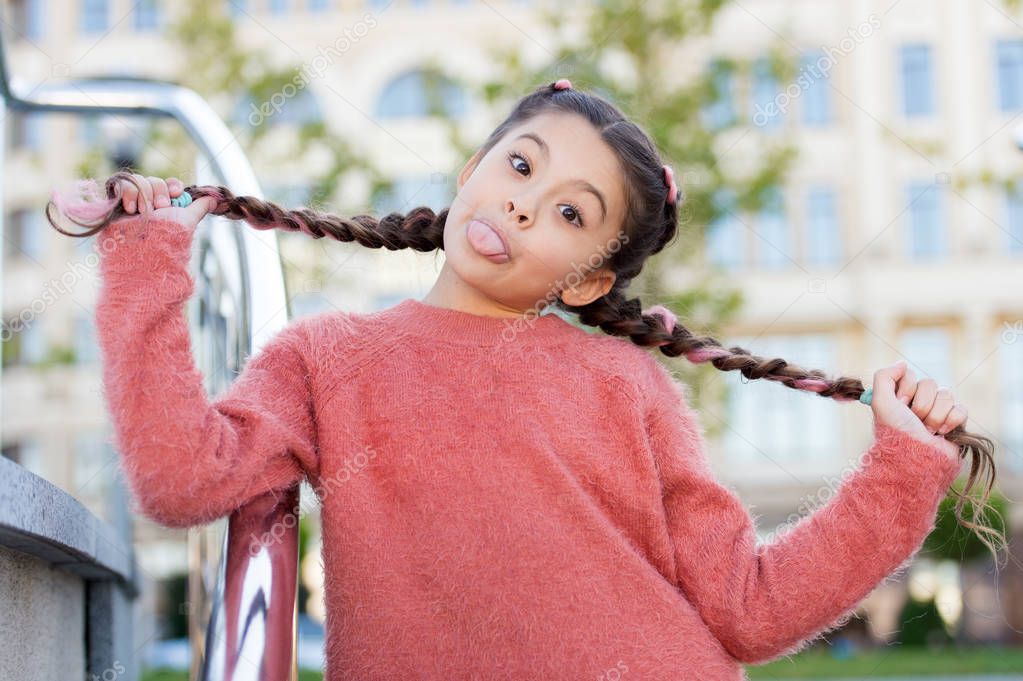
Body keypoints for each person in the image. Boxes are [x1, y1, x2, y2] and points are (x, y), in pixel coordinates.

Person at [48, 80, 1002, 680]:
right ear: (471, 167)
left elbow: (746, 608)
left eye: (568, 211)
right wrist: (146, 260)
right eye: (518, 162)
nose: (520, 199)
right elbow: (180, 477)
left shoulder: (627, 386)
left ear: (587, 279)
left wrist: (897, 471)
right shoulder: (324, 356)